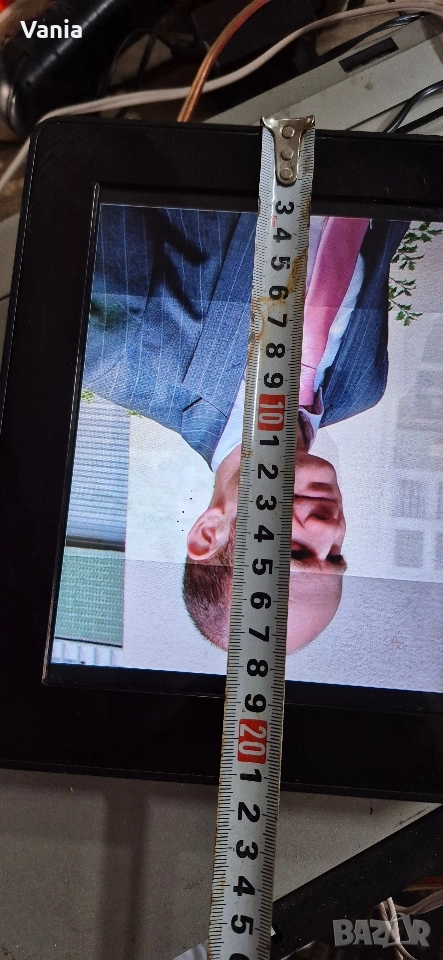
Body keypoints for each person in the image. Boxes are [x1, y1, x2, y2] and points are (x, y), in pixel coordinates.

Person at [84, 203, 408, 650]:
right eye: (335, 554)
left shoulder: (119, 353)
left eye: (293, 550)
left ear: (210, 533)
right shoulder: (362, 386)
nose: (329, 528)